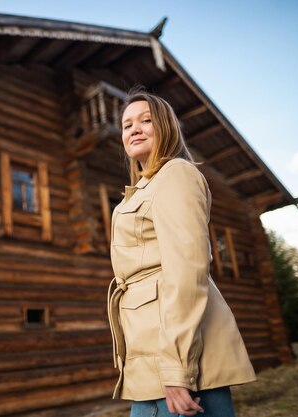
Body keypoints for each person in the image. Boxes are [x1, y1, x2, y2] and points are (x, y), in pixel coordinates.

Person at [107, 89, 256, 417]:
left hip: (174, 362)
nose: (134, 129)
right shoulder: (143, 188)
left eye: (146, 120)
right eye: (126, 124)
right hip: (153, 359)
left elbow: (186, 270)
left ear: (167, 128)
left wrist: (176, 369)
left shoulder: (175, 174)